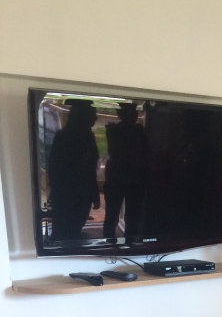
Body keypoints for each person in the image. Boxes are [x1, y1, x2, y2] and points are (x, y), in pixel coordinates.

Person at [47, 99, 100, 241]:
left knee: (74, 228)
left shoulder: (87, 137)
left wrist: (94, 193)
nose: (96, 118)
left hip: (80, 194)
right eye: (92, 114)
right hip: (69, 195)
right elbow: (55, 168)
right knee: (64, 231)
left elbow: (91, 168)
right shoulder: (64, 137)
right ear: (83, 116)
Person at [103, 102, 149, 239]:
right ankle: (123, 243)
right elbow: (145, 153)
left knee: (117, 216)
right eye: (132, 112)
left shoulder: (115, 130)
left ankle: (113, 243)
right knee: (125, 216)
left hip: (123, 177)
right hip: (128, 177)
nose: (135, 115)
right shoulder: (137, 131)